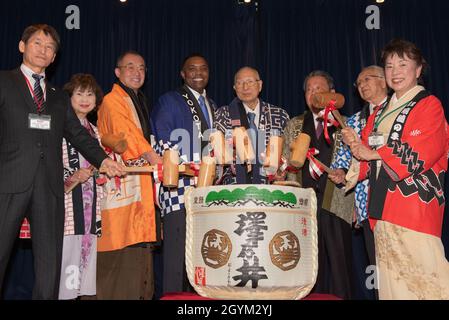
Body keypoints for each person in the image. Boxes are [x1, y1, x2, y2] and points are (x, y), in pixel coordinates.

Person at [0, 24, 124, 300]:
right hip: (9, 181)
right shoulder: (4, 82)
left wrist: (103, 161)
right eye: (37, 44)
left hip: (50, 187)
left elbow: (78, 134)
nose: (43, 51)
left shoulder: (57, 96)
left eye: (50, 47)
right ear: (22, 46)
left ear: (54, 57)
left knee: (49, 262)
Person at [342, 39, 449, 300]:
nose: (396, 71)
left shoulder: (429, 104)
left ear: (418, 69)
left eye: (403, 64)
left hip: (414, 204)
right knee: (392, 282)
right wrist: (356, 146)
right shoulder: (379, 114)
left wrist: (373, 153)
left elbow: (423, 148)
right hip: (382, 205)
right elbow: (367, 156)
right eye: (389, 66)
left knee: (426, 278)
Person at [282, 70, 353, 299]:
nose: (314, 93)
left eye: (319, 88)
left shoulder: (345, 124)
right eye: (309, 89)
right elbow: (285, 163)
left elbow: (357, 162)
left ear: (332, 93)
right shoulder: (294, 124)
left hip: (337, 202)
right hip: (304, 207)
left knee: (341, 269)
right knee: (309, 269)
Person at [96, 51, 161, 300]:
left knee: (138, 247)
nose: (137, 72)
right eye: (130, 67)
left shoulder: (137, 99)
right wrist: (156, 160)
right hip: (121, 185)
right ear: (117, 72)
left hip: (139, 184)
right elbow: (129, 137)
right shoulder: (113, 100)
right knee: (120, 247)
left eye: (142, 68)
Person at [151, 53, 217, 294]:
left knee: (202, 253)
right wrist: (189, 166)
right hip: (177, 186)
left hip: (207, 191)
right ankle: (171, 297)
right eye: (192, 68)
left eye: (203, 68)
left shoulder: (213, 106)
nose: (198, 73)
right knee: (176, 254)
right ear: (182, 73)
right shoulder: (169, 100)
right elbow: (162, 140)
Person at [329, 65, 388, 299]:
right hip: (367, 204)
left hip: (397, 202)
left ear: (384, 81)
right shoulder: (353, 121)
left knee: (401, 264)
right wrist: (341, 173)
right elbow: (343, 159)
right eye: (358, 83)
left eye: (367, 79)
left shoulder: (400, 112)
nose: (362, 85)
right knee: (377, 265)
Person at [58, 74, 106, 300]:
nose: (85, 99)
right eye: (79, 93)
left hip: (91, 206)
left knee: (86, 263)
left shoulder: (96, 132)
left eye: (90, 94)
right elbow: (47, 165)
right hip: (67, 205)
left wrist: (102, 176)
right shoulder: (57, 128)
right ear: (69, 98)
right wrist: (73, 176)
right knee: (67, 263)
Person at [215, 66, 289, 184]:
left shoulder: (279, 115)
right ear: (234, 88)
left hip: (270, 188)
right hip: (233, 189)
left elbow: (287, 152)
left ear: (260, 85)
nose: (245, 87)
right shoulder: (223, 114)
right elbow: (215, 155)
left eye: (250, 82)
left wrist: (282, 170)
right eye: (240, 83)